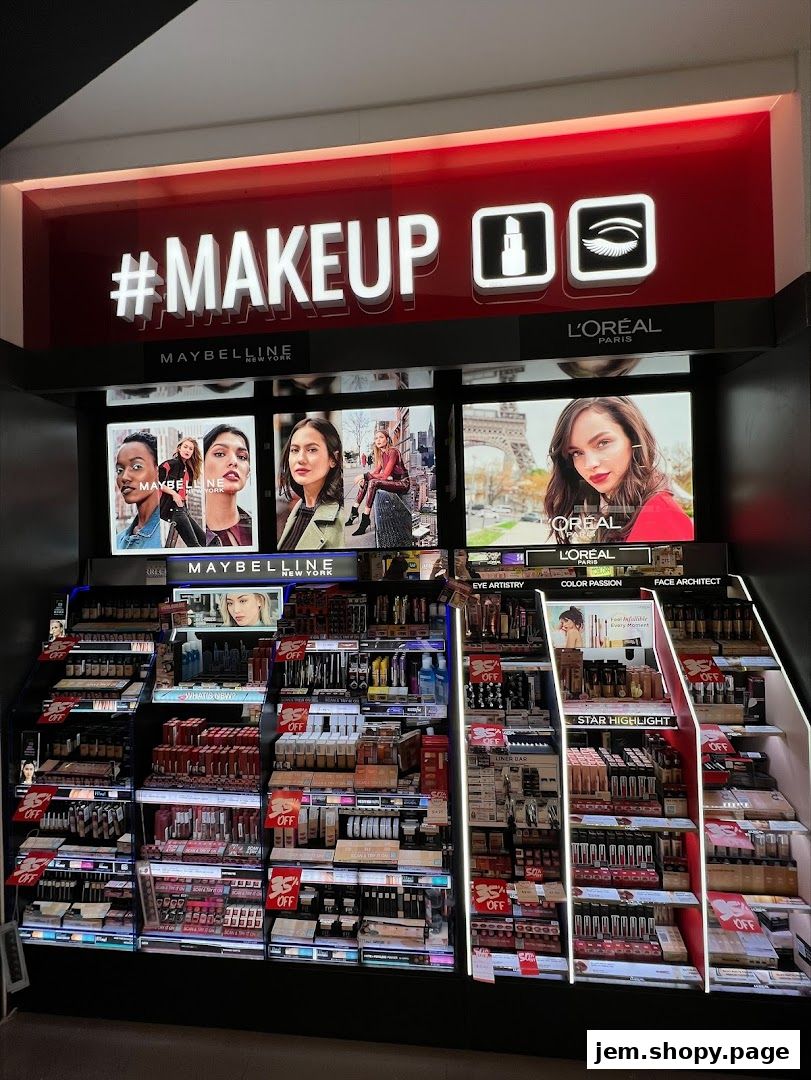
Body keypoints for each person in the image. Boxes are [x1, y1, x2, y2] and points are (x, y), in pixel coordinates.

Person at [543, 397, 694, 544]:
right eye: (576, 452)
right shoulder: (620, 512)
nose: (590, 464)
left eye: (603, 443)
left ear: (633, 439)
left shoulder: (660, 515)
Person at [277, 418, 344, 551]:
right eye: (295, 450)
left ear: (333, 459)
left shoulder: (341, 520)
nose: (300, 459)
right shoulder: (298, 509)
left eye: (312, 450)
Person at [346, 429, 410, 537]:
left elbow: (385, 475)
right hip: (393, 481)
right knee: (368, 480)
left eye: (381, 437)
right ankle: (354, 511)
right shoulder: (381, 454)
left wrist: (363, 476)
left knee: (373, 482)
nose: (378, 440)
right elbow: (375, 472)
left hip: (402, 483)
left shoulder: (393, 452)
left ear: (387, 439)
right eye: (376, 438)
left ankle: (365, 519)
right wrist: (364, 478)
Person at [203, 424, 254, 547]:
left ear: (248, 472)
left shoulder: (257, 529)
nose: (233, 462)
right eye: (220, 454)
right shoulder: (179, 535)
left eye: (242, 457)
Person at [114, 431, 163, 550]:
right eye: (119, 470)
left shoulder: (175, 535)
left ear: (159, 471)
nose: (124, 477)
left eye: (136, 467)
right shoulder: (118, 541)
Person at [159, 436, 206, 547]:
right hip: (174, 509)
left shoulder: (189, 470)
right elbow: (155, 482)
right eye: (185, 447)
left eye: (190, 449)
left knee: (205, 540)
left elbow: (185, 492)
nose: (187, 450)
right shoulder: (169, 464)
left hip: (184, 510)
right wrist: (174, 494)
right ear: (179, 448)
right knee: (194, 546)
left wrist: (185, 505)